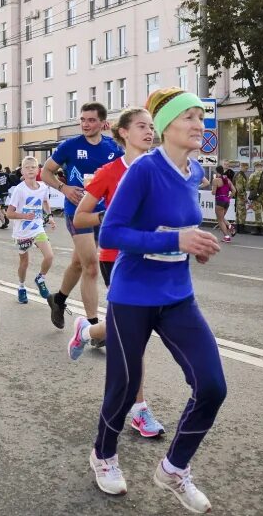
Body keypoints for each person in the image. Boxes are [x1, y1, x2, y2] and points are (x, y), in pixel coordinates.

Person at [89, 88, 225, 514]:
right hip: (133, 296)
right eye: (189, 118)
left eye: (200, 120)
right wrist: (174, 239)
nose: (197, 127)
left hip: (178, 295)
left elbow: (181, 230)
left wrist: (194, 246)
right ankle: (103, 454)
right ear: (166, 125)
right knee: (124, 388)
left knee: (212, 386)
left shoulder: (195, 172)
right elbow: (111, 234)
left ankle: (173, 469)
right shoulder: (144, 170)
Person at [70, 107, 165, 439]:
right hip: (118, 259)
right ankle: (139, 410)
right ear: (123, 132)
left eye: (152, 126)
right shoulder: (110, 171)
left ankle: (87, 331)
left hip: (153, 258)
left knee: (130, 328)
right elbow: (80, 218)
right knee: (135, 336)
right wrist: (108, 215)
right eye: (142, 126)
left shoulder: (160, 169)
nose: (149, 132)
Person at [42, 102, 124, 330]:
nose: (86, 124)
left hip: (102, 213)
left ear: (103, 123)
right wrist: (63, 188)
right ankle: (92, 327)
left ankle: (58, 300)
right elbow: (45, 171)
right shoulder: (70, 145)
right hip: (76, 212)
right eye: (83, 120)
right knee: (91, 266)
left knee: (78, 263)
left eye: (91, 120)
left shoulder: (113, 147)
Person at [6, 156, 55, 303]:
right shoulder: (19, 190)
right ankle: (21, 287)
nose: (30, 170)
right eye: (27, 168)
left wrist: (50, 216)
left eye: (33, 167)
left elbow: (45, 201)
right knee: (24, 263)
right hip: (22, 232)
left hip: (37, 229)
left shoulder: (43, 187)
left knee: (49, 256)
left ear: (38, 170)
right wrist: (24, 215)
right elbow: (9, 213)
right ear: (22, 171)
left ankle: (40, 278)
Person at [211, 165, 235, 242]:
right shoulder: (228, 180)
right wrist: (229, 197)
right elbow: (234, 191)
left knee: (220, 220)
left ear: (216, 171)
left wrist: (214, 188)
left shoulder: (216, 180)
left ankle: (227, 236)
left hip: (219, 200)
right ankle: (230, 226)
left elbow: (213, 192)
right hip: (226, 201)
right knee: (222, 217)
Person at [233, 162, 249, 234]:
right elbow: (239, 188)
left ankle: (239, 229)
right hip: (240, 197)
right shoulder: (240, 175)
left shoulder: (241, 175)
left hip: (239, 196)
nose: (247, 169)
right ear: (242, 167)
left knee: (239, 213)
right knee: (242, 213)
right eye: (246, 168)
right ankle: (241, 229)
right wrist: (244, 197)